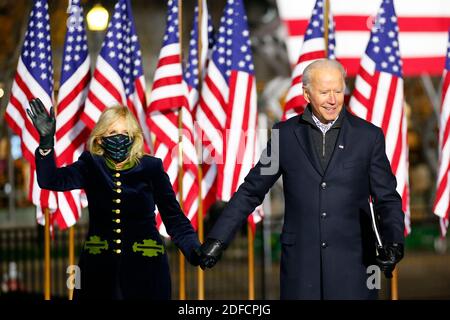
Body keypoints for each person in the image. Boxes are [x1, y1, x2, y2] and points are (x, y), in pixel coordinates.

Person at [195, 59, 405, 300]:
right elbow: (252, 190)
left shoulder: (368, 136)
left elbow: (387, 198)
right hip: (301, 268)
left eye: (338, 91)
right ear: (306, 94)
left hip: (357, 266)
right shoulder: (283, 136)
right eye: (324, 92)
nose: (333, 99)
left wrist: (394, 241)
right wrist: (218, 238)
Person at [27, 99, 200, 299]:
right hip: (97, 272)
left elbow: (174, 219)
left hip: (147, 271)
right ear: (100, 138)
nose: (119, 137)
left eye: (125, 133)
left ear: (134, 138)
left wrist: (194, 249)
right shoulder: (90, 164)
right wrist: (46, 144)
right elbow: (50, 180)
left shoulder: (151, 167)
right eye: (112, 133)